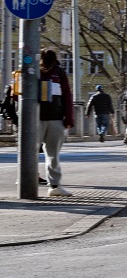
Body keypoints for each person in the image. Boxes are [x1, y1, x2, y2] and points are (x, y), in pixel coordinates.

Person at [36, 50, 75, 197]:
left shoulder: (57, 72)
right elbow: (67, 96)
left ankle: (53, 185)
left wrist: (69, 118)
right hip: (53, 118)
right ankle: (54, 186)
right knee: (52, 155)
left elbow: (67, 95)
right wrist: (69, 119)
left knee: (42, 153)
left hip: (43, 118)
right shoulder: (56, 72)